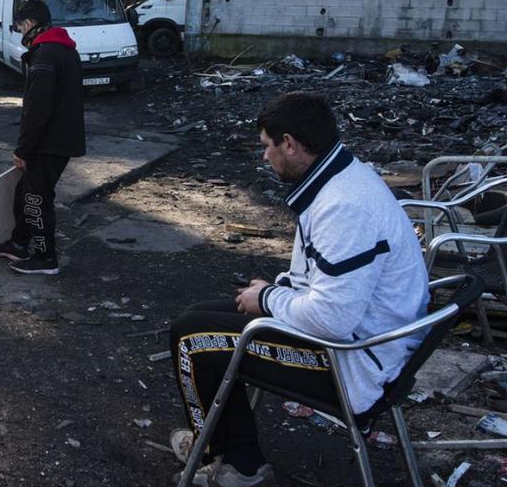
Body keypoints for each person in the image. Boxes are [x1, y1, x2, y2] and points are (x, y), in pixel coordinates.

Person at [167, 92, 430, 487]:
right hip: (373, 341)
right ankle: (228, 446)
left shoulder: (343, 206)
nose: (264, 157)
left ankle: (231, 463)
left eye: (267, 146)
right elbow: (321, 277)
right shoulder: (343, 176)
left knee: (192, 339)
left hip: (353, 362)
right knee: (196, 316)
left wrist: (270, 298)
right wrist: (274, 292)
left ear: (289, 144)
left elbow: (332, 319)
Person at [0, 0, 85, 275]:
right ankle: (18, 244)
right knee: (25, 191)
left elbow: (37, 109)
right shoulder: (64, 50)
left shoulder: (45, 55)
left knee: (36, 198)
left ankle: (45, 257)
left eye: (20, 28)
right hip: (60, 137)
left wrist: (23, 149)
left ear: (29, 24)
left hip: (50, 142)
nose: (21, 35)